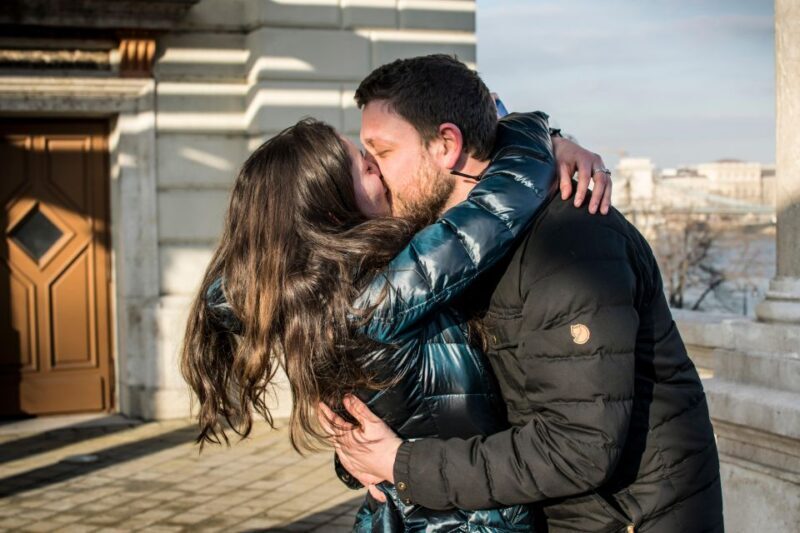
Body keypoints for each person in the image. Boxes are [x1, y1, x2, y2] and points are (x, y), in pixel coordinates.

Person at [323, 55, 724, 532]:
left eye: (383, 152)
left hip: (628, 517)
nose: (375, 173)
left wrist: (403, 466)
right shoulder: (450, 252)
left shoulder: (570, 245)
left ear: (447, 145)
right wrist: (357, 445)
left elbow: (579, 448)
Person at [180, 108, 608, 529]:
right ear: (332, 209)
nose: (381, 171)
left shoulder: (305, 304)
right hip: (469, 518)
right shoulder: (386, 293)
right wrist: (533, 130)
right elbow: (502, 204)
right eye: (367, 167)